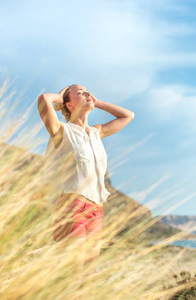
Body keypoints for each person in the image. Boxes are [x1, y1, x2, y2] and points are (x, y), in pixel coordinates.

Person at [37, 84, 134, 276]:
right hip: (71, 209)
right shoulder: (61, 131)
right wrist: (58, 96)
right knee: (72, 275)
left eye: (87, 91)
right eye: (79, 93)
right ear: (69, 105)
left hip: (96, 211)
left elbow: (128, 115)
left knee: (88, 276)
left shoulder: (96, 133)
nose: (87, 93)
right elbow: (43, 100)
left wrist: (96, 102)